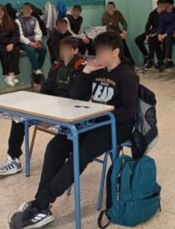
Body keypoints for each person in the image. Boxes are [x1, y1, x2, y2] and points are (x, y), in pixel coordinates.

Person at [8, 31, 139, 229]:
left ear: (115, 52)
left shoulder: (128, 76)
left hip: (115, 126)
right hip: (91, 121)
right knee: (55, 146)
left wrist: (100, 116)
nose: (98, 55)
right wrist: (86, 72)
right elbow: (76, 96)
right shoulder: (96, 71)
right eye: (97, 51)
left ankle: (40, 204)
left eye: (103, 51)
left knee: (80, 154)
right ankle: (42, 206)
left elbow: (129, 111)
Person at [0, 37, 85, 177]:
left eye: (66, 49)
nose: (63, 52)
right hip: (51, 107)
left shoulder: (81, 66)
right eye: (61, 50)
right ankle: (13, 159)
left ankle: (66, 160)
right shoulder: (57, 65)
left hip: (69, 111)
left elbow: (79, 95)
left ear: (75, 50)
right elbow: (46, 87)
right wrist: (40, 107)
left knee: (66, 136)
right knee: (19, 119)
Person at [0, 4, 21, 87]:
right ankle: (8, 74)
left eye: (1, 11)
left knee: (16, 51)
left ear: (4, 12)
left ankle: (11, 74)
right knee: (3, 52)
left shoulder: (11, 21)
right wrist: (6, 42)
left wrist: (12, 43)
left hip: (10, 43)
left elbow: (16, 34)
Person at [17, 2, 47, 84]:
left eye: (29, 9)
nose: (27, 11)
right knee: (31, 50)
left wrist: (37, 40)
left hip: (34, 40)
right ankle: (38, 71)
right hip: (23, 42)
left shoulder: (34, 19)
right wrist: (30, 43)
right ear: (22, 10)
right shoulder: (18, 20)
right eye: (25, 9)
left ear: (31, 10)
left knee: (43, 49)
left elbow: (38, 32)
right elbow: (20, 36)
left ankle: (36, 71)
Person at [135, 0, 164, 69]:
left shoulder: (165, 13)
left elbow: (163, 25)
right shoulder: (152, 13)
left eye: (163, 6)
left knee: (153, 40)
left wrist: (151, 35)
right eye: (160, 6)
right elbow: (148, 25)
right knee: (138, 39)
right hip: (153, 30)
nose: (162, 7)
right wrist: (147, 34)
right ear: (157, 5)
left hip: (161, 31)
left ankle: (152, 60)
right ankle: (147, 56)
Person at [153, 0, 175, 70]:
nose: (166, 7)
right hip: (164, 33)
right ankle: (161, 61)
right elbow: (161, 24)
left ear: (172, 6)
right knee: (155, 39)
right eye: (165, 5)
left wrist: (165, 34)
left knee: (168, 38)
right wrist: (159, 34)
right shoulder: (163, 13)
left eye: (168, 5)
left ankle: (168, 60)